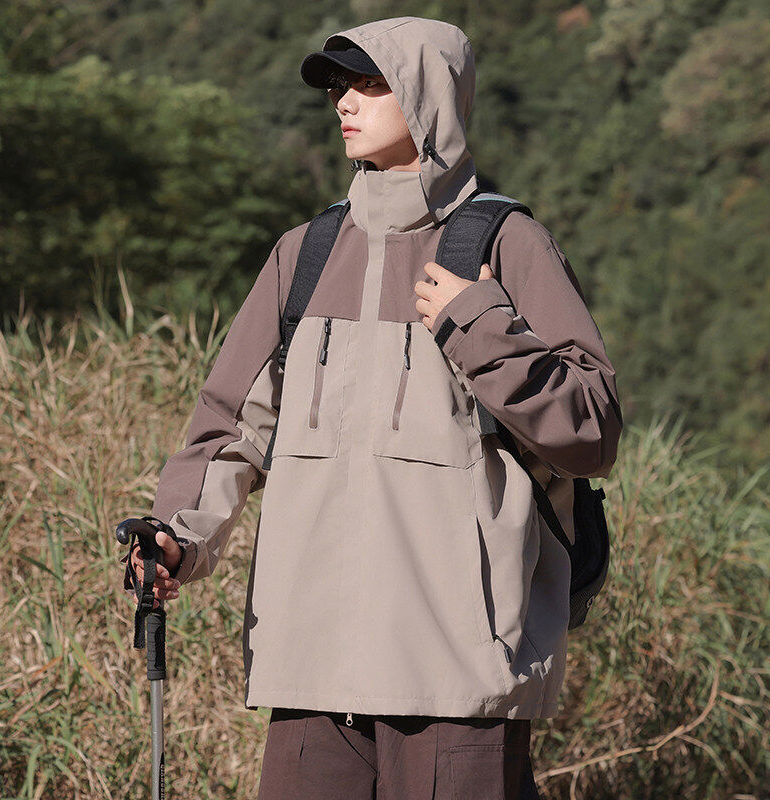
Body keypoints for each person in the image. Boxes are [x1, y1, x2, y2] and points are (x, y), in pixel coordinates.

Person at [122, 16, 623, 799]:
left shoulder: (509, 244)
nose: (344, 102)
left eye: (370, 84)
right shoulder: (305, 253)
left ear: (431, 97)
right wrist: (178, 537)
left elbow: (591, 430)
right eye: (338, 86)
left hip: (457, 675)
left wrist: (478, 324)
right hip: (311, 667)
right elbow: (231, 426)